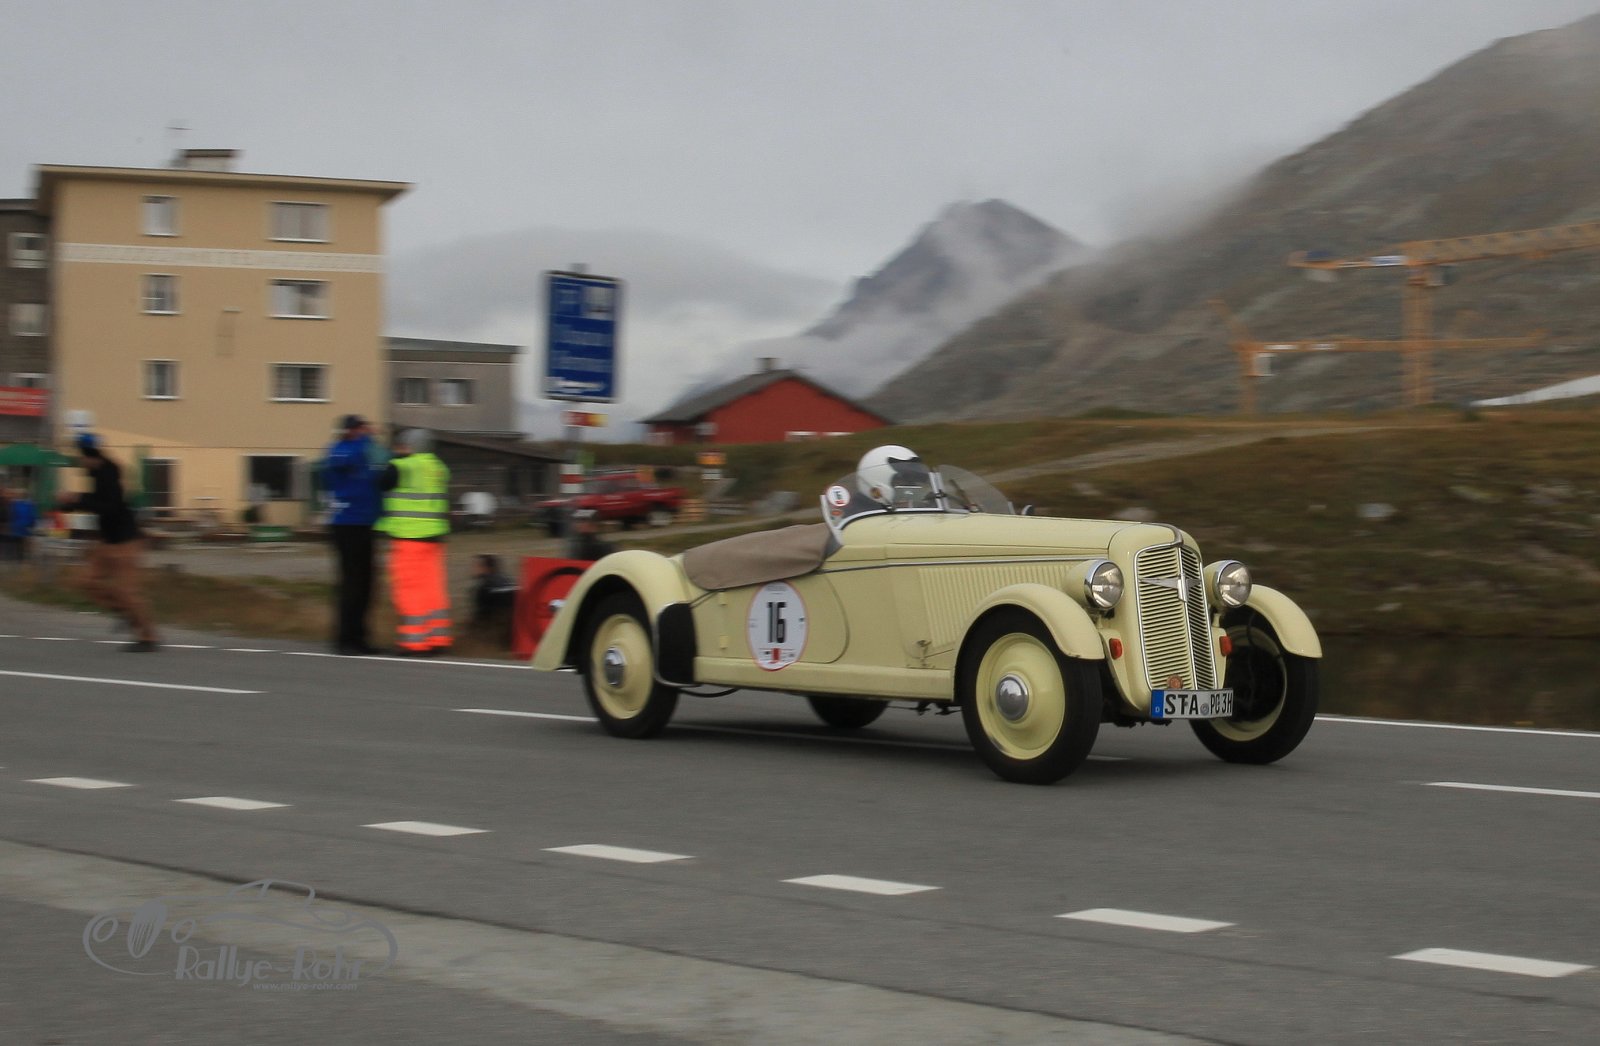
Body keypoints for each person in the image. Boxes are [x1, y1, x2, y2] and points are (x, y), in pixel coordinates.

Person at [59, 434, 159, 651]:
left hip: (126, 542)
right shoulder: (97, 473)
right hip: (107, 542)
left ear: (89, 456)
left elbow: (110, 506)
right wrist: (70, 503)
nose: (79, 462)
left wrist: (79, 499)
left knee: (127, 592)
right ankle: (124, 612)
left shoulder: (109, 474)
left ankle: (148, 637)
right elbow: (96, 502)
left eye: (80, 457)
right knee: (86, 581)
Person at [376, 428, 452, 656]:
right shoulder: (439, 468)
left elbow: (381, 482)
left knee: (408, 589)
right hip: (434, 538)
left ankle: (414, 642)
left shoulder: (403, 466)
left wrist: (393, 457)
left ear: (410, 446)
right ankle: (439, 638)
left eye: (402, 445)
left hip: (409, 538)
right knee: (433, 588)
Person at [322, 414, 384, 655]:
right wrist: (365, 440)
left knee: (366, 585)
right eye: (359, 429)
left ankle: (360, 638)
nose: (364, 433)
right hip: (345, 523)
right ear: (349, 431)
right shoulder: (339, 450)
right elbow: (344, 461)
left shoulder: (366, 452)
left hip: (364, 523)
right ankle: (344, 639)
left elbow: (382, 466)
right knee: (351, 583)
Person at [855, 444, 934, 509]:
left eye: (911, 483)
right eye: (900, 484)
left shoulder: (921, 510)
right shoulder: (859, 518)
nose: (908, 490)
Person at [5, 486, 37, 562]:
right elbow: (32, 516)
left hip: (19, 527)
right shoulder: (27, 504)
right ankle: (21, 558)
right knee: (22, 545)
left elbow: (12, 515)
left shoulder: (15, 504)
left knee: (19, 545)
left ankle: (19, 558)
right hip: (22, 528)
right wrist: (31, 524)